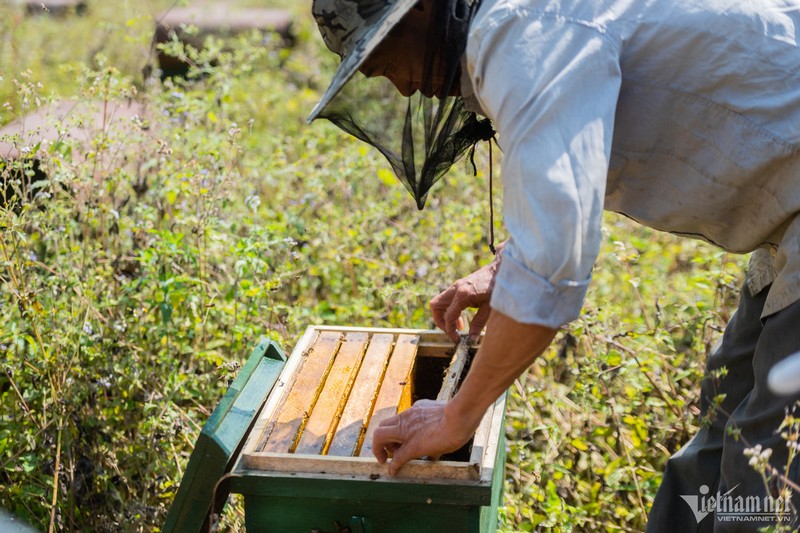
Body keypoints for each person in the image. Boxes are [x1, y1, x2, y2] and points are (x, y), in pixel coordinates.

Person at [308, 0, 800, 530]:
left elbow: (554, 259)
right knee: (723, 417)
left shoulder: (524, 33)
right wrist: (506, 269)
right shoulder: (526, 23)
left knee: (767, 472)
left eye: (386, 57)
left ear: (423, 10)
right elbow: (567, 181)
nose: (401, 87)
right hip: (786, 211)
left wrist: (458, 416)